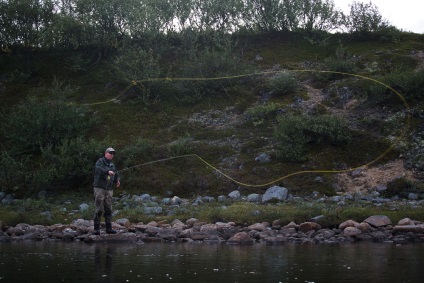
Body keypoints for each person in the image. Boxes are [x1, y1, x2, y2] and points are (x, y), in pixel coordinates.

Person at [93, 147, 121, 235]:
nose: (112, 155)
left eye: (113, 154)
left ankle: (109, 228)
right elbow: (99, 170)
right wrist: (107, 172)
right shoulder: (100, 162)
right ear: (106, 153)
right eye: (110, 153)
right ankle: (96, 229)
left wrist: (117, 180)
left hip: (109, 189)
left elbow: (115, 174)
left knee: (108, 208)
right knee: (99, 208)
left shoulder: (112, 165)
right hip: (99, 188)